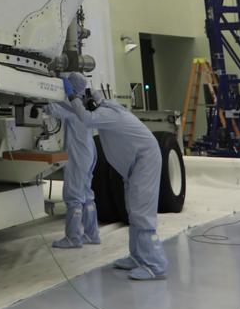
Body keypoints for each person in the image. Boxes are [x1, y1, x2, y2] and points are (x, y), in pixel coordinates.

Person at [64, 80, 168, 281]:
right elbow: (92, 107)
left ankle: (155, 265)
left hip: (143, 161)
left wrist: (72, 97)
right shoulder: (108, 107)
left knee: (142, 213)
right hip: (134, 165)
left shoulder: (108, 113)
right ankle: (138, 257)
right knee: (133, 210)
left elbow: (85, 118)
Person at [45, 72, 100, 249]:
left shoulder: (73, 108)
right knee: (86, 194)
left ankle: (73, 238)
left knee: (74, 196)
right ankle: (92, 234)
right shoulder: (84, 106)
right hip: (90, 153)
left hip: (78, 156)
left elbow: (51, 109)